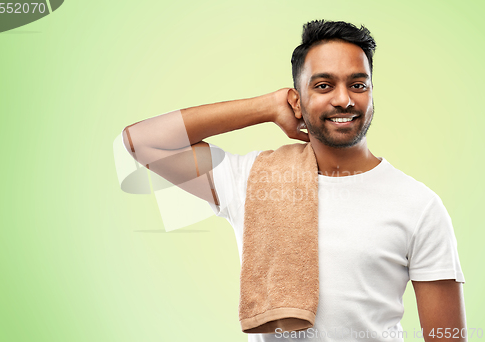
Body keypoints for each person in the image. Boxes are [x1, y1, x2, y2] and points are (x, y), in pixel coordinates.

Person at [121, 19, 466, 341]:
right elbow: (142, 141)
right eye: (323, 85)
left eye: (358, 84)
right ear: (297, 101)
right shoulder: (252, 180)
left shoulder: (418, 205)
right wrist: (266, 107)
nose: (343, 99)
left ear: (372, 94)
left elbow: (448, 337)